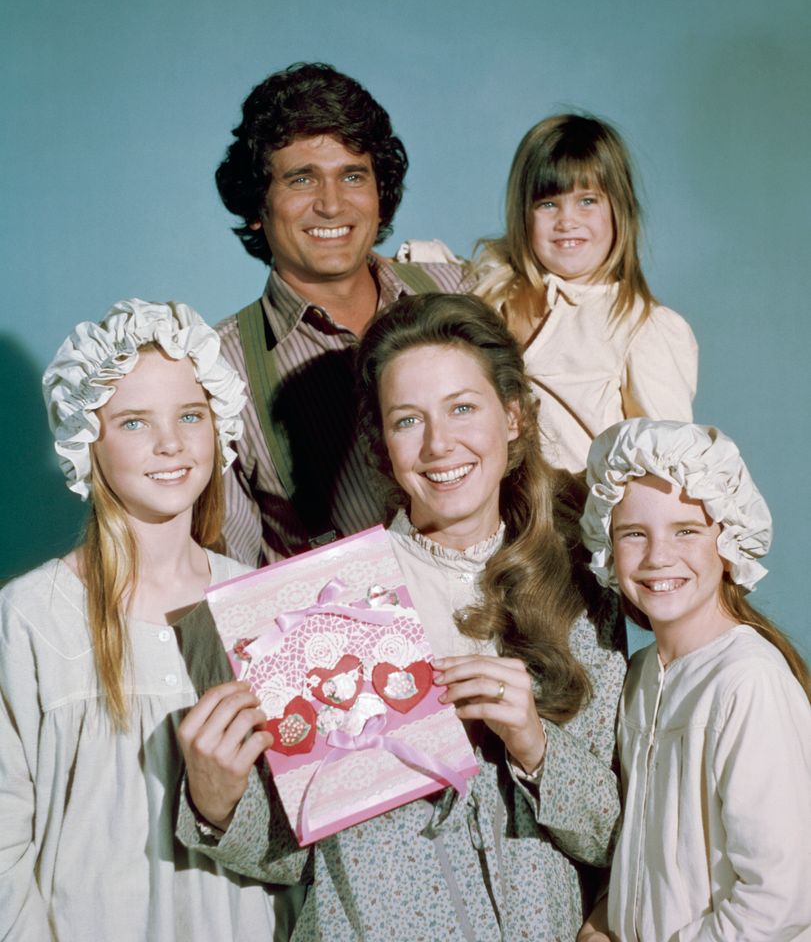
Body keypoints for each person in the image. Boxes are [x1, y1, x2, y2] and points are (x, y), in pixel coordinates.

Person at [176, 293, 627, 941]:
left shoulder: (583, 591)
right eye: (407, 420)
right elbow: (299, 855)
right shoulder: (323, 602)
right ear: (382, 445)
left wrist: (534, 743)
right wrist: (216, 802)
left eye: (462, 408)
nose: (439, 444)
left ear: (514, 417)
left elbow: (612, 838)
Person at [0, 299, 301, 940]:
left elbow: (303, 835)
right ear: (87, 439)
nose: (170, 443)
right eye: (134, 422)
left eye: (190, 415)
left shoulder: (263, 607)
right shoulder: (29, 617)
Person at [213, 61, 469, 567]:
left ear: (380, 194)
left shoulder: (462, 291)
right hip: (349, 636)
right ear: (257, 207)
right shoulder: (217, 369)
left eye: (352, 176)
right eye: (301, 180)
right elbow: (230, 578)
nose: (331, 205)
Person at [577, 418, 811, 942]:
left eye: (686, 530)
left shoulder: (747, 683)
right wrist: (604, 918)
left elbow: (780, 901)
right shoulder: (639, 679)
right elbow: (645, 852)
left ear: (727, 543)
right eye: (633, 534)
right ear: (607, 551)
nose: (659, 556)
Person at [473, 114, 698, 473]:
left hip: (578, 521)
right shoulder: (496, 292)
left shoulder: (641, 326)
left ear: (618, 210)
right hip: (498, 518)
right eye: (548, 204)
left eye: (587, 201)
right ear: (523, 215)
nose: (566, 220)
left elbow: (668, 468)